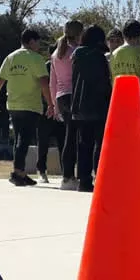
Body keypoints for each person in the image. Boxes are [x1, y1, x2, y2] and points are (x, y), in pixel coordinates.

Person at [0, 29, 55, 186]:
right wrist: (50, 103)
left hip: (13, 104)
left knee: (19, 138)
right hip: (30, 104)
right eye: (38, 42)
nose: (39, 46)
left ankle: (20, 171)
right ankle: (17, 172)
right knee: (24, 139)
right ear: (31, 41)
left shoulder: (11, 57)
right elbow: (44, 83)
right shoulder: (36, 59)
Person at [71, 25, 113, 192]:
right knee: (99, 143)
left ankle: (83, 179)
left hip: (79, 105)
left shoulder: (76, 55)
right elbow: (103, 83)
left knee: (83, 144)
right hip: (97, 105)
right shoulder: (99, 57)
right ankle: (99, 176)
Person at [109, 19, 140, 148]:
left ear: (124, 34)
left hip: (121, 104)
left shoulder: (114, 54)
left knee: (126, 145)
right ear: (139, 34)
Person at [51, 20, 84, 190]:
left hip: (61, 97)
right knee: (75, 138)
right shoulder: (76, 52)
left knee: (68, 137)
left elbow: (53, 81)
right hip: (74, 96)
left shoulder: (56, 54)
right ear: (79, 34)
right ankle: (70, 176)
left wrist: (54, 105)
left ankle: (67, 175)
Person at [36, 57, 65, 183]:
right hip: (47, 110)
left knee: (63, 142)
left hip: (61, 109)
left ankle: (66, 172)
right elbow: (42, 88)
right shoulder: (46, 67)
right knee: (43, 143)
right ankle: (41, 171)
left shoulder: (65, 67)